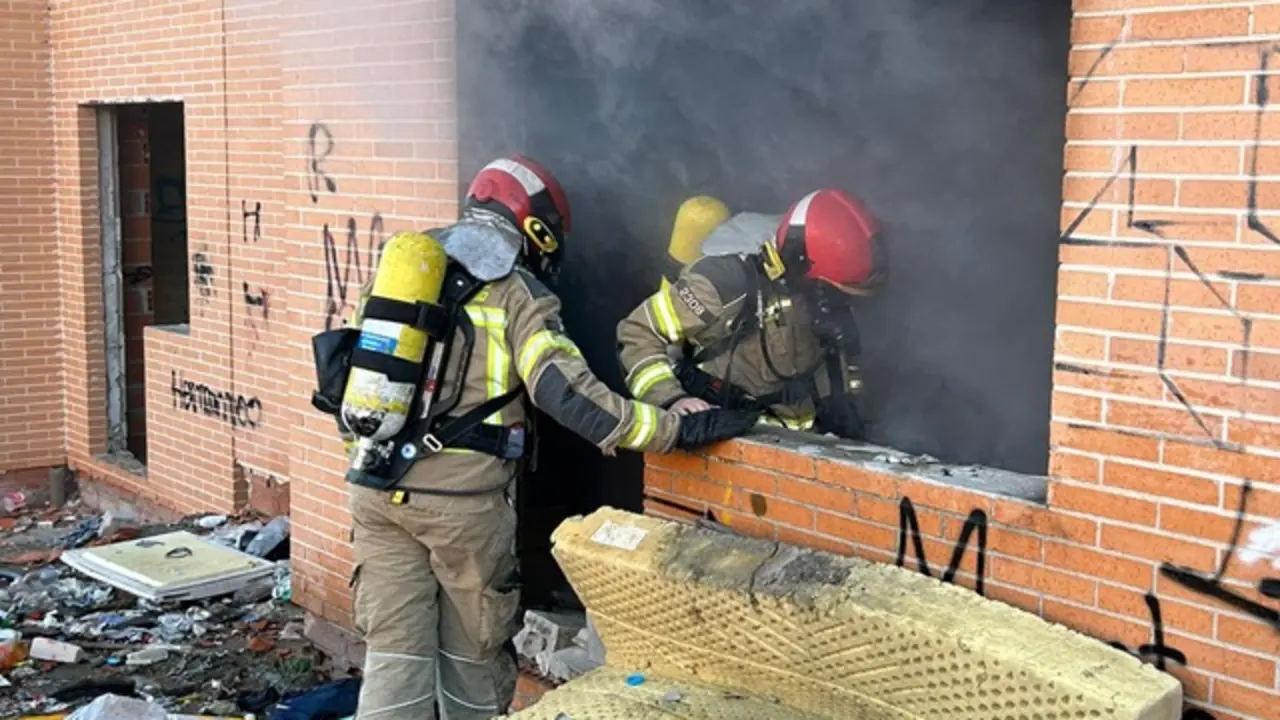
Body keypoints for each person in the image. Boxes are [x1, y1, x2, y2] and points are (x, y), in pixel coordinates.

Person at [334, 156, 760, 720]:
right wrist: (673, 429)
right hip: (460, 506)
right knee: (472, 653)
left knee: (394, 652)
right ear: (535, 226)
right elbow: (568, 394)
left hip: (373, 490)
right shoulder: (515, 291)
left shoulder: (401, 269)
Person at [617, 188, 886, 438]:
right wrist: (672, 399)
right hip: (727, 443)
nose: (840, 302)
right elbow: (637, 333)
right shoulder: (723, 284)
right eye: (834, 291)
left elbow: (822, 357)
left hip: (800, 445)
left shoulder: (810, 285)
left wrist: (845, 406)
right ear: (805, 267)